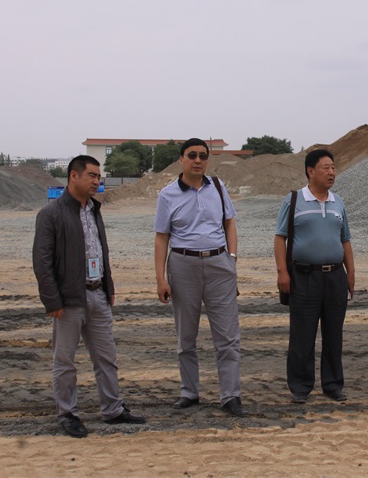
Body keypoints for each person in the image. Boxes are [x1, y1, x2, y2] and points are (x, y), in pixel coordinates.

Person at [33, 155, 146, 439]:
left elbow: (100, 251)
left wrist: (109, 287)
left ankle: (113, 409)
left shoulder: (94, 210)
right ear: (74, 176)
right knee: (65, 362)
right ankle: (67, 414)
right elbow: (42, 261)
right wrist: (52, 300)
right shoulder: (51, 214)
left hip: (98, 295)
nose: (97, 181)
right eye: (92, 176)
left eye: (99, 176)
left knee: (106, 358)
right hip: (69, 300)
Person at [154, 138, 243, 416]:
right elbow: (161, 238)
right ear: (181, 159)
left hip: (219, 265)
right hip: (183, 266)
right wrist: (160, 278)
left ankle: (230, 396)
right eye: (191, 155)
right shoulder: (167, 195)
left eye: (203, 156)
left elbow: (229, 222)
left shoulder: (218, 187)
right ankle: (189, 392)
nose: (197, 160)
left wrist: (232, 259)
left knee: (227, 336)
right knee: (186, 336)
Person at [274, 149, 355, 404]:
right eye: (325, 167)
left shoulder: (338, 202)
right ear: (310, 171)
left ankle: (333, 385)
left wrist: (351, 272)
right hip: (303, 276)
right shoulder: (294, 200)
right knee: (302, 334)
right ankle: (300, 387)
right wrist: (282, 272)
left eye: (333, 167)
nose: (331, 172)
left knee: (334, 334)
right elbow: (280, 238)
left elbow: (345, 239)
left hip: (335, 277)